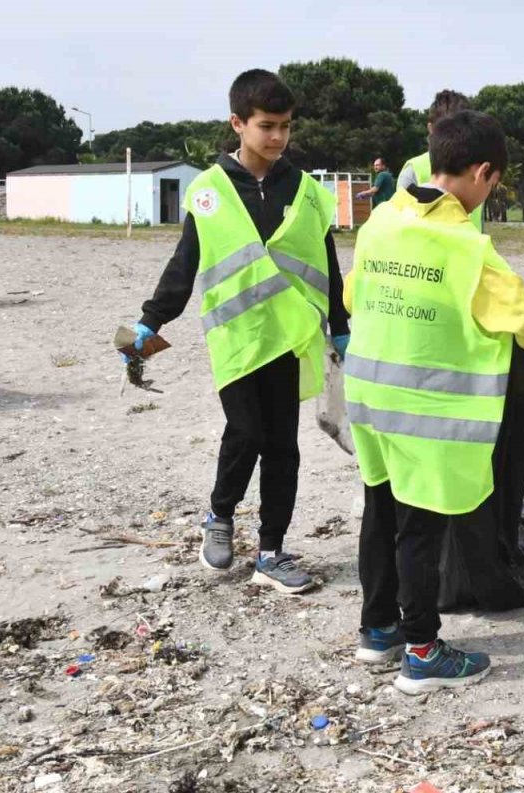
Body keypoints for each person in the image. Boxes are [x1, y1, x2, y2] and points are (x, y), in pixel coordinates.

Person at [344, 109, 524, 694]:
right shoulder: (467, 248)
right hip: (426, 411)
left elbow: (352, 294)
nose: (488, 198)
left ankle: (378, 630)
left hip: (368, 398)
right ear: (483, 172)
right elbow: (523, 315)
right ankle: (422, 651)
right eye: (492, 187)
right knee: (419, 526)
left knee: (380, 511)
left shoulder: (380, 225)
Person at [128, 69, 350, 594]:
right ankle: (219, 515)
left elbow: (328, 261)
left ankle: (271, 551)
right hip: (236, 338)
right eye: (266, 125)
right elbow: (187, 262)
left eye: (286, 127)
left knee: (283, 446)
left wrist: (340, 326)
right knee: (246, 432)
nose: (277, 137)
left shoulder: (308, 192)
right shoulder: (209, 191)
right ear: (238, 123)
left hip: (291, 335)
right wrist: (149, 320)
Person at [398, 90, 484, 231]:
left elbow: (478, 223)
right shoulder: (413, 170)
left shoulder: (478, 169)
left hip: (470, 251)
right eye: (446, 131)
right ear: (430, 128)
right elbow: (401, 227)